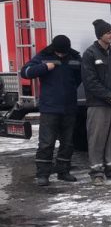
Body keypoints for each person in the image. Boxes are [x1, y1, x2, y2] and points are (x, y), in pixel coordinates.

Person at [20, 35, 81, 186]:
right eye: (59, 53)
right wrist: (44, 67)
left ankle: (63, 171)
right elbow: (25, 72)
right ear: (54, 48)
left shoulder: (74, 57)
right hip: (50, 108)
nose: (61, 55)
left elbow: (79, 77)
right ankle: (43, 174)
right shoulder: (44, 56)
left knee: (67, 142)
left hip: (69, 107)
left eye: (63, 53)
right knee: (47, 142)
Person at [81, 19, 111, 184]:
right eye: (108, 32)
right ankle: (96, 172)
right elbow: (90, 82)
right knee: (97, 138)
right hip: (99, 104)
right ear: (100, 35)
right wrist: (110, 97)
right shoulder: (90, 54)